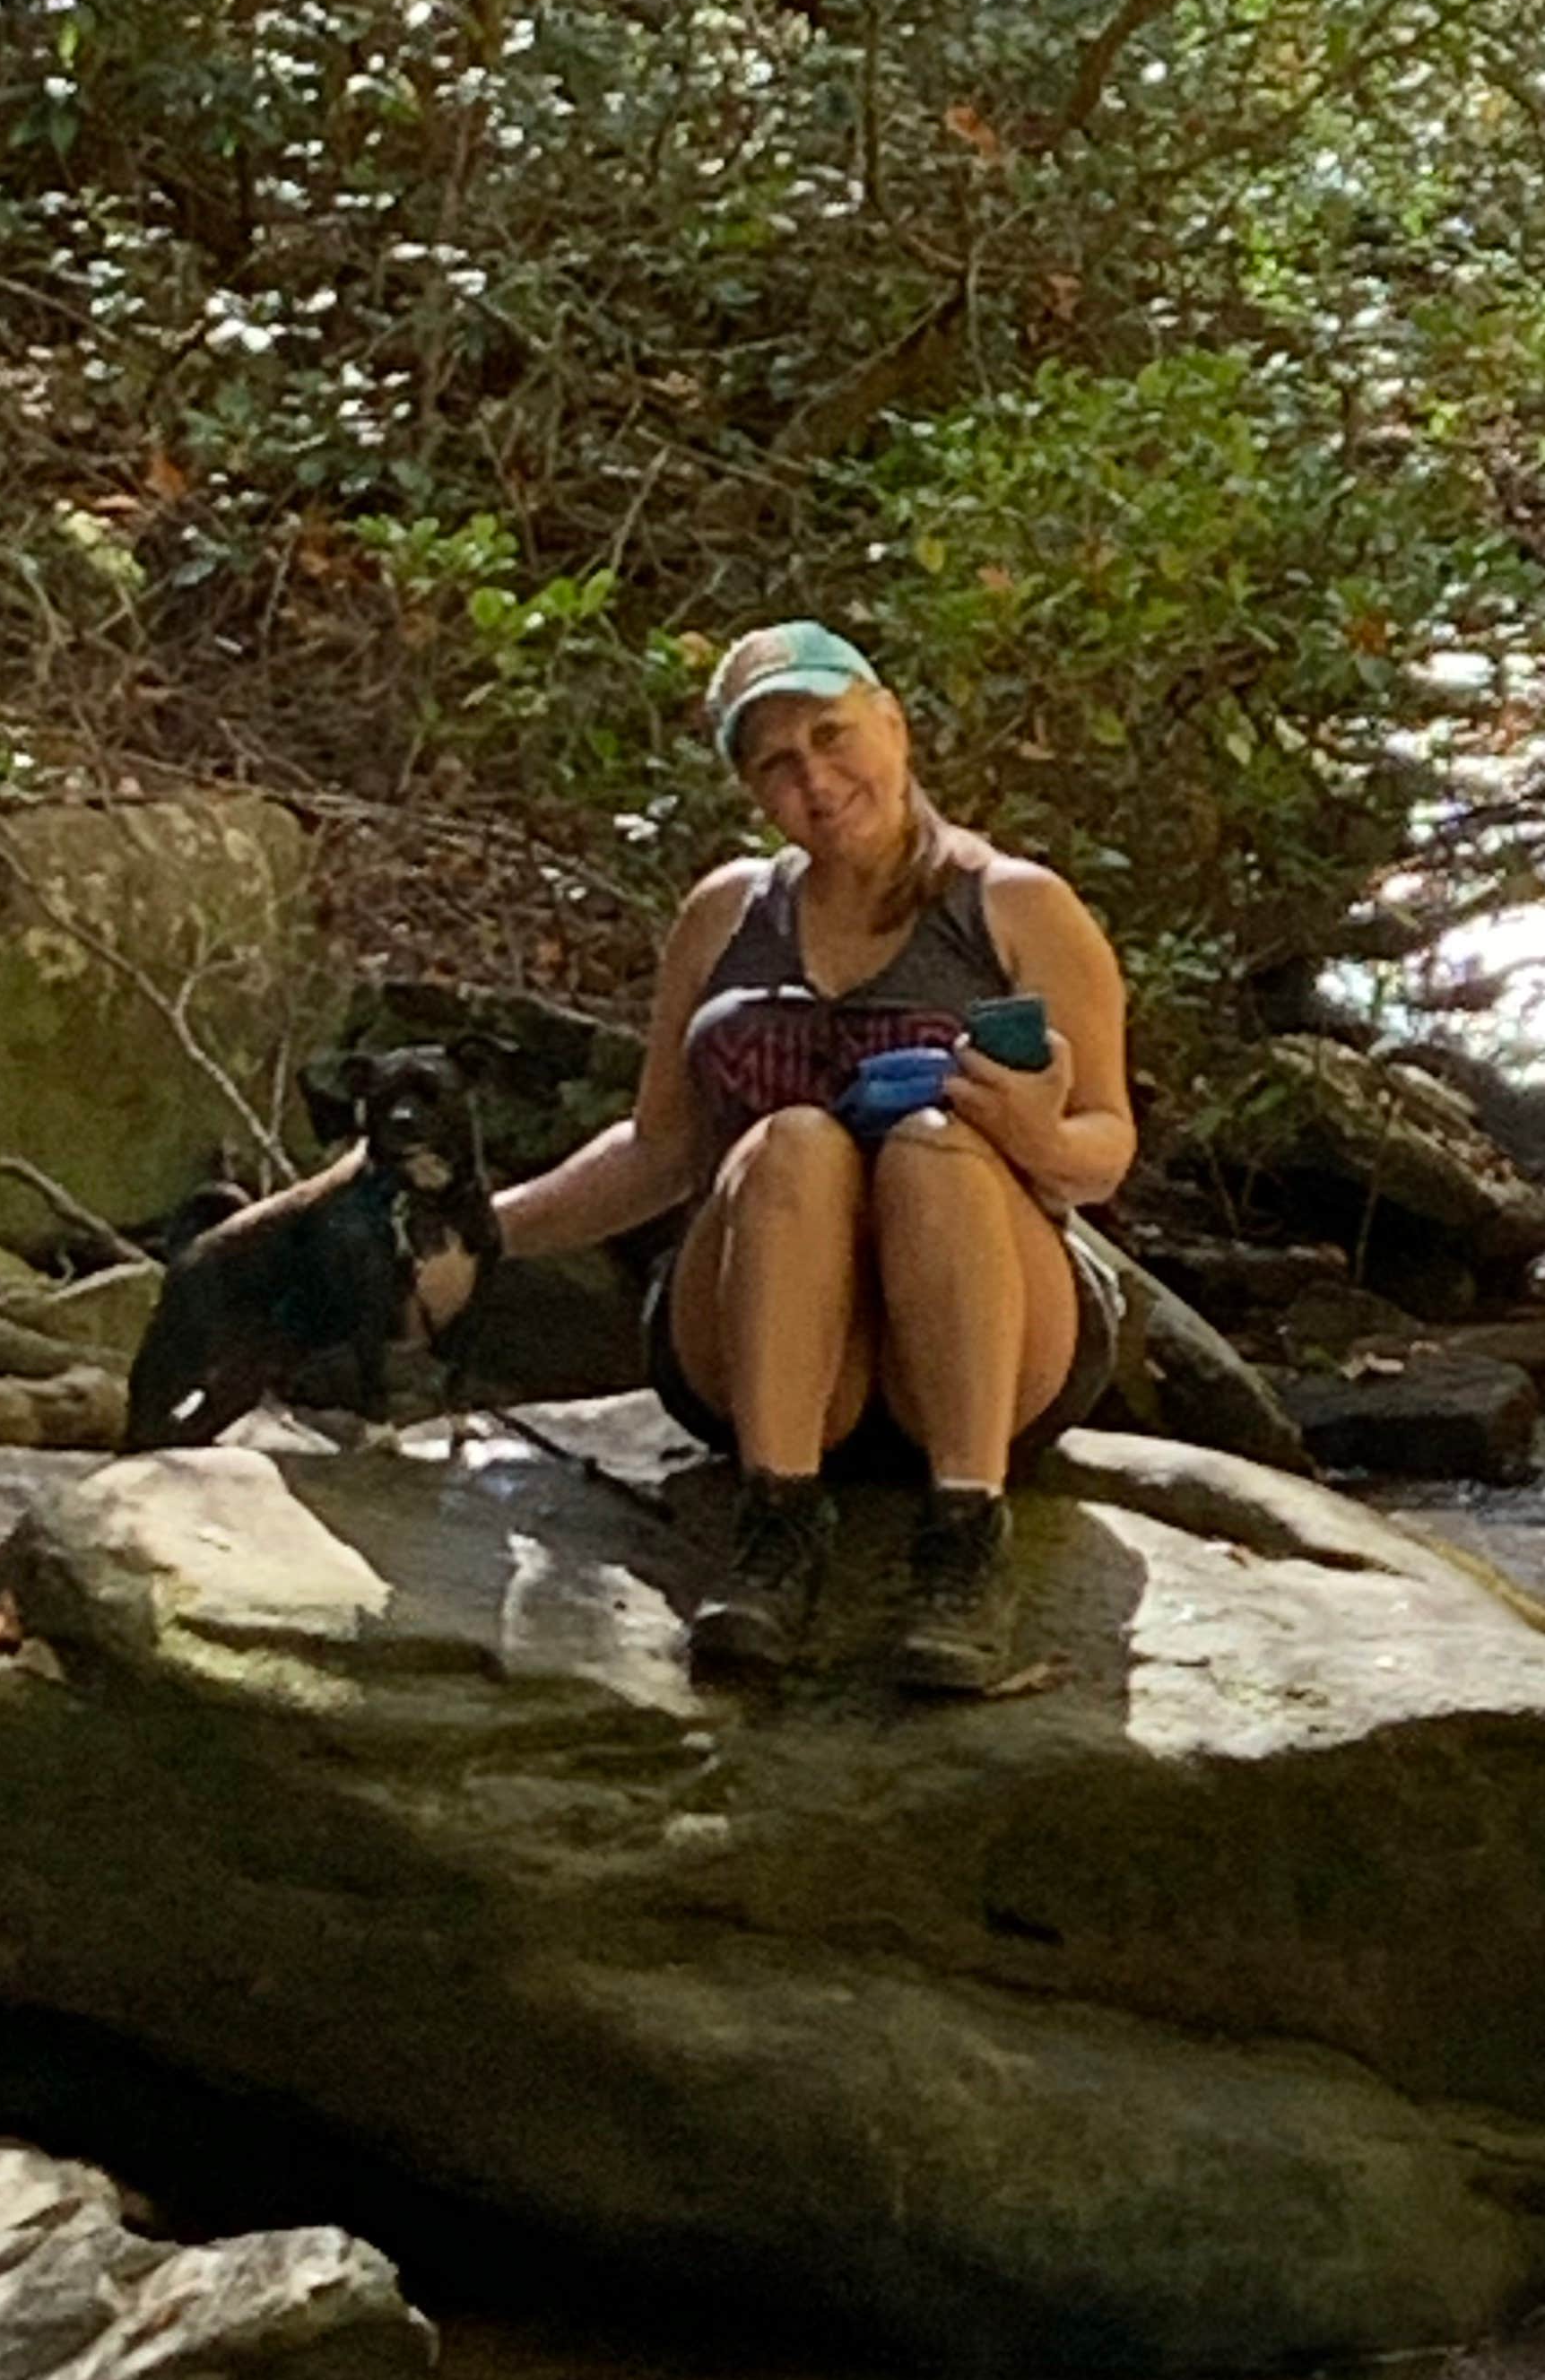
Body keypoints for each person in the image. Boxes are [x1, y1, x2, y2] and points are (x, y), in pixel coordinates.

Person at [458, 620, 1136, 1689]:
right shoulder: (727, 913)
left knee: (931, 1147)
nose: (816, 779)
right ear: (751, 791)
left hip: (979, 1345)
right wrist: (479, 1236)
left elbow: (1103, 1152)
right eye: (777, 763)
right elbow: (659, 1149)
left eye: (832, 735)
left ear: (894, 725)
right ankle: (775, 1529)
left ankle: (964, 1540)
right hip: (767, 1343)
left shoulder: (1016, 906)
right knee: (795, 1143)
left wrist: (1033, 1132)